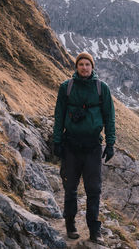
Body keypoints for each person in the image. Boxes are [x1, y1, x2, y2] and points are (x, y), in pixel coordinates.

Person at [52, 52, 116, 242]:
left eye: (88, 64)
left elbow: (109, 117)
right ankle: (70, 224)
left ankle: (94, 230)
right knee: (70, 187)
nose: (84, 67)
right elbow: (59, 116)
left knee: (93, 189)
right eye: (81, 64)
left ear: (92, 67)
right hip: (71, 144)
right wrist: (57, 141)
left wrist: (110, 143)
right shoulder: (66, 87)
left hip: (92, 147)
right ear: (76, 67)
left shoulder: (101, 88)